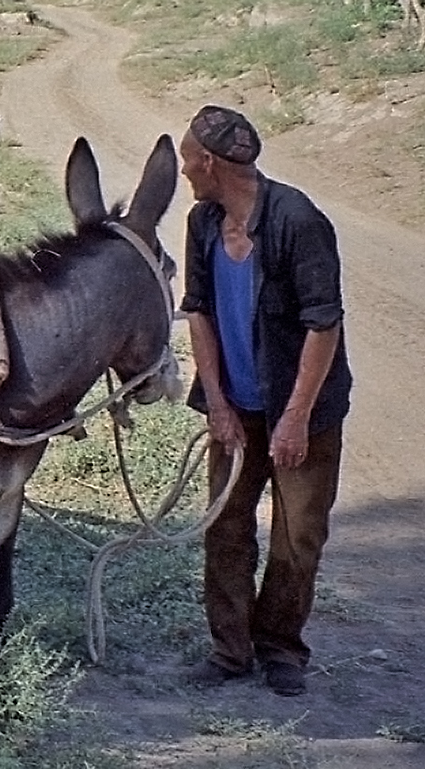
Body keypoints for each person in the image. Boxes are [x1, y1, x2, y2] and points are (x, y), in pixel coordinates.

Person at [178, 103, 351, 698]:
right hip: (238, 408)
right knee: (224, 526)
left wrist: (296, 418)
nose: (183, 174)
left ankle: (281, 646)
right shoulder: (203, 223)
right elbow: (198, 311)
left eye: (185, 162)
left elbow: (323, 325)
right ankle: (230, 650)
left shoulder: (298, 221)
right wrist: (219, 404)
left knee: (298, 533)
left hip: (304, 410)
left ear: (208, 162)